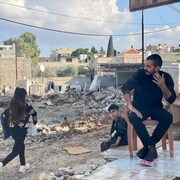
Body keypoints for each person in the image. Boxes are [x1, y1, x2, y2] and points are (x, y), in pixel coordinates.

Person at [121, 54, 176, 162]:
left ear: (157, 68)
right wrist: (129, 104)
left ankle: (148, 147)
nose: (145, 68)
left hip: (156, 109)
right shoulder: (140, 74)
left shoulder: (166, 77)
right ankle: (151, 147)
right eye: (145, 65)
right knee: (133, 116)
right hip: (139, 109)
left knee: (168, 117)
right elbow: (126, 87)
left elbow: (171, 100)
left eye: (148, 66)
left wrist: (163, 86)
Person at [0, 87, 37, 173]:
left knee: (21, 146)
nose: (27, 97)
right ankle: (2, 164)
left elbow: (3, 116)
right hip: (21, 131)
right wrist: (34, 122)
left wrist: (6, 129)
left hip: (13, 132)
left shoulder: (11, 106)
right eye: (26, 95)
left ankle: (22, 166)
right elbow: (34, 113)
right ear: (23, 96)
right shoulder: (26, 106)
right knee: (15, 151)